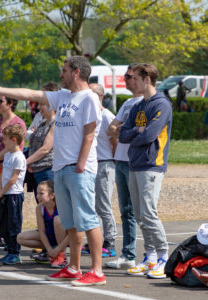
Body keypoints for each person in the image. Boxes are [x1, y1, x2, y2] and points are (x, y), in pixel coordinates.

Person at [0, 55, 106, 286]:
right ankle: (74, 267)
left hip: (79, 170)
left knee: (87, 219)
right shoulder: (64, 96)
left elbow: (89, 134)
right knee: (71, 223)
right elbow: (31, 93)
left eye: (64, 70)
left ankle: (96, 271)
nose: (61, 74)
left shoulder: (89, 98)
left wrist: (81, 164)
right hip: (61, 169)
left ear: (76, 72)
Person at [119, 63, 172, 279]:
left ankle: (163, 256)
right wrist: (137, 130)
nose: (132, 82)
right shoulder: (138, 106)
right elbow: (122, 136)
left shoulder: (162, 104)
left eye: (136, 78)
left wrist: (137, 133)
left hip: (152, 165)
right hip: (135, 164)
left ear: (147, 79)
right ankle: (150, 256)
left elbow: (150, 135)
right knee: (140, 215)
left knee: (149, 213)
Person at [105, 63, 143, 269]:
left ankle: (151, 255)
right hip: (120, 160)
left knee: (142, 211)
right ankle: (128, 254)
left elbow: (138, 130)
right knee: (126, 210)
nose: (126, 80)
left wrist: (123, 129)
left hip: (135, 162)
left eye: (129, 76)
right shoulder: (127, 102)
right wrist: (124, 128)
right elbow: (111, 129)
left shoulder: (146, 102)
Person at [0, 96, 26, 250]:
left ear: (10, 103)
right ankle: (2, 237)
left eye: (0, 101)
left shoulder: (18, 123)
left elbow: (13, 148)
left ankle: (12, 243)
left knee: (11, 210)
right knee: (0, 204)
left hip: (6, 166)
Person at [89, 83, 118, 258]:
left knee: (103, 204)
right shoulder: (91, 115)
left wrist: (112, 162)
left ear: (99, 96)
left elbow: (114, 141)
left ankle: (110, 241)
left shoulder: (107, 116)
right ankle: (97, 239)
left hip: (105, 163)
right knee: (92, 205)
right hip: (93, 164)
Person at [0, 124, 26, 265]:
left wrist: (2, 191)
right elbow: (2, 175)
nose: (3, 142)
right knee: (5, 224)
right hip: (5, 194)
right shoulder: (7, 155)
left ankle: (15, 253)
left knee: (14, 224)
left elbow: (14, 178)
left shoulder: (19, 157)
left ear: (14, 140)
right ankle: (9, 250)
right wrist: (0, 190)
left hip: (14, 195)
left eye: (5, 139)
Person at [17, 180, 69, 268]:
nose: (37, 196)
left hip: (66, 239)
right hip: (50, 236)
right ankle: (51, 253)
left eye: (41, 193)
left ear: (52, 195)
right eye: (37, 193)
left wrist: (58, 250)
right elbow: (41, 231)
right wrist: (49, 249)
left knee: (58, 220)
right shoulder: (39, 208)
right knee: (20, 238)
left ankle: (61, 256)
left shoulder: (62, 206)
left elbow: (72, 234)